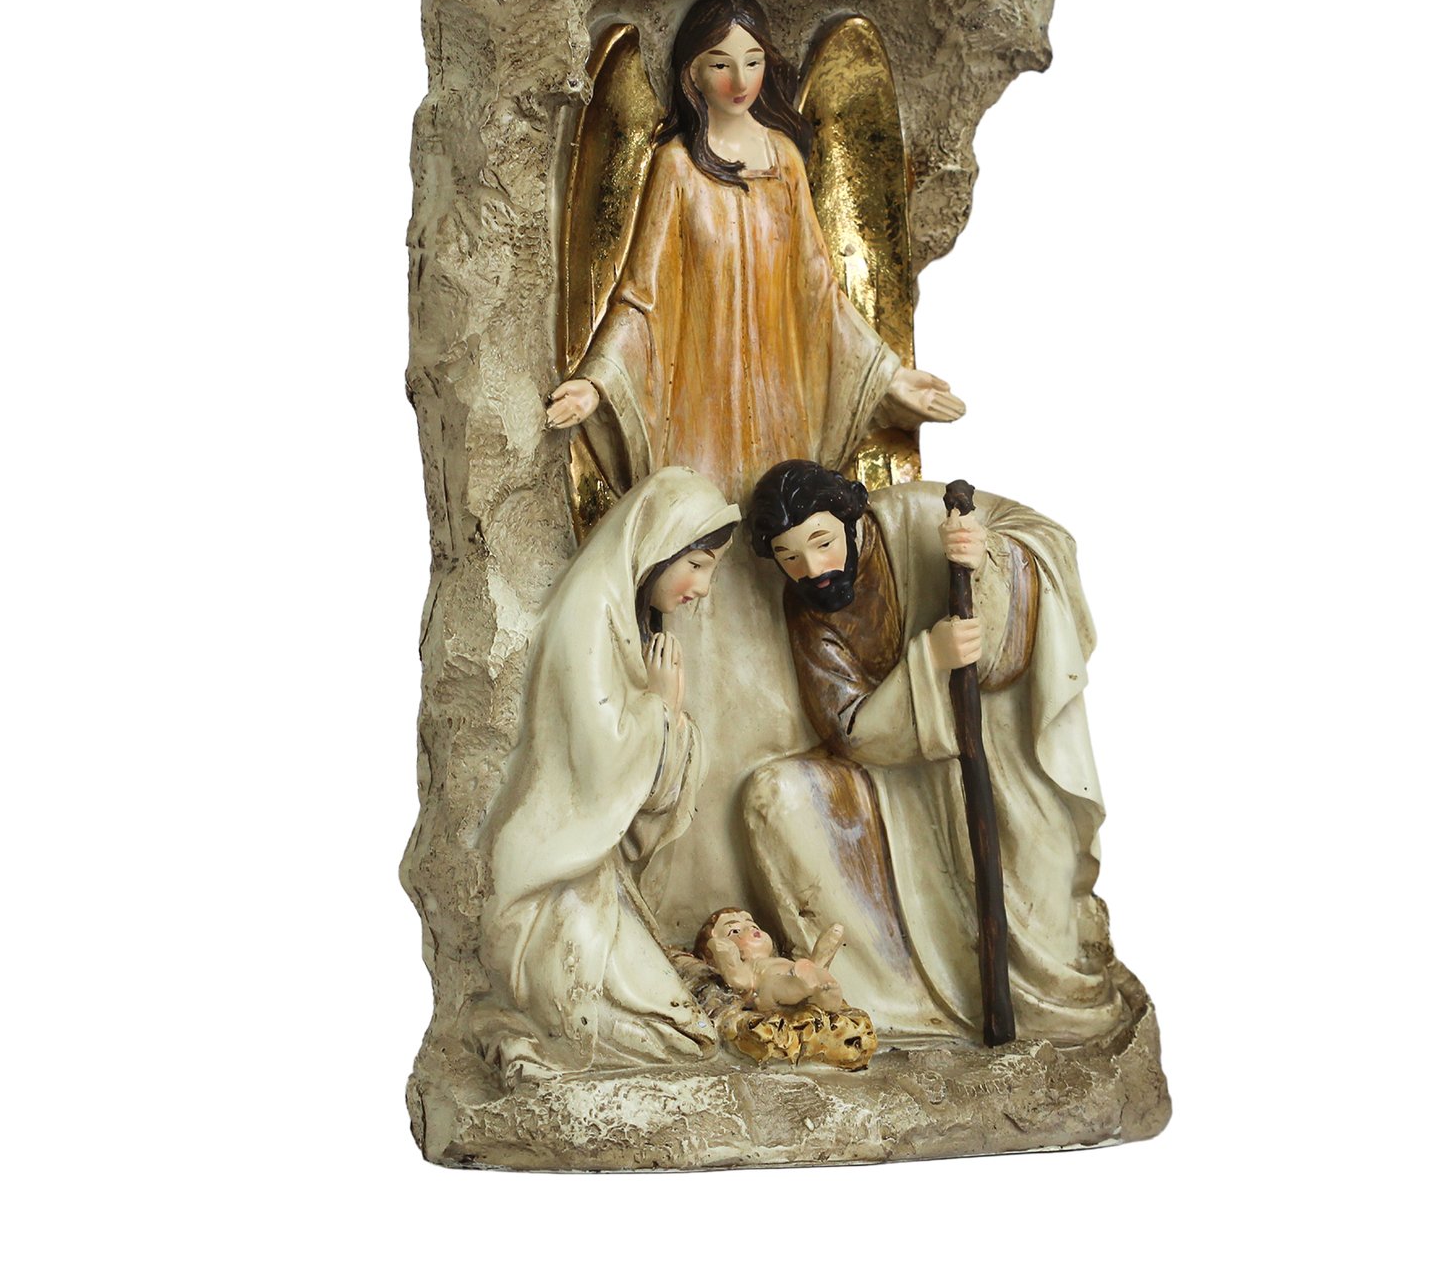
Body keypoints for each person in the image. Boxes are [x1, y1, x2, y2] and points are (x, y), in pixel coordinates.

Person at [742, 460, 1127, 1045]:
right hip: (900, 767)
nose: (813, 570)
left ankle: (1048, 1003)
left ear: (850, 517)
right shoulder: (806, 608)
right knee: (782, 797)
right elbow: (849, 728)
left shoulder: (918, 515)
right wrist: (930, 662)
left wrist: (990, 557)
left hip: (998, 734)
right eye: (789, 557)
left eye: (822, 543)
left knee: (1033, 859)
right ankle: (904, 999)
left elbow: (1046, 540)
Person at [544, 0, 964, 504]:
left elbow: (820, 290)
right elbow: (641, 296)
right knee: (703, 526)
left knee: (783, 525)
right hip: (700, 406)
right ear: (693, 72)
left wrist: (889, 378)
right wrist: (597, 383)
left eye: (753, 61)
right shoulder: (677, 166)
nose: (740, 81)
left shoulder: (783, 160)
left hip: (779, 402)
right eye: (721, 64)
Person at [475, 467, 739, 1086]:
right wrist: (661, 711)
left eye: (711, 570)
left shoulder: (627, 611)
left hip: (596, 873)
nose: (703, 587)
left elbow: (645, 793)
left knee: (687, 1032)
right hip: (554, 879)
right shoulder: (593, 605)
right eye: (696, 565)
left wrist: (668, 721)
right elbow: (600, 764)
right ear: (657, 544)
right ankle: (517, 1029)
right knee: (676, 1038)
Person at [693, 907, 849, 1014]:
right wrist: (723, 952)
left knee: (812, 965)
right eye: (734, 931)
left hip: (802, 974)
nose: (750, 928)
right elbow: (737, 979)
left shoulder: (780, 960)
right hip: (771, 995)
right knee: (772, 985)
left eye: (753, 925)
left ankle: (824, 989)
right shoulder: (749, 967)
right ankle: (810, 988)